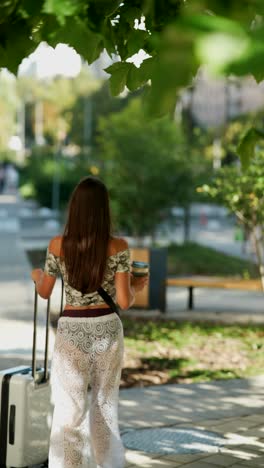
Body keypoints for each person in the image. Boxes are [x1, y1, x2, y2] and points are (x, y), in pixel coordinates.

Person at [31, 177, 148, 468]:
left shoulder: (58, 245)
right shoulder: (118, 246)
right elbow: (124, 300)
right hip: (107, 329)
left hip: (72, 332)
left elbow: (44, 292)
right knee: (104, 405)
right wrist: (136, 286)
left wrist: (37, 277)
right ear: (103, 210)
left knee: (69, 410)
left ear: (75, 209)